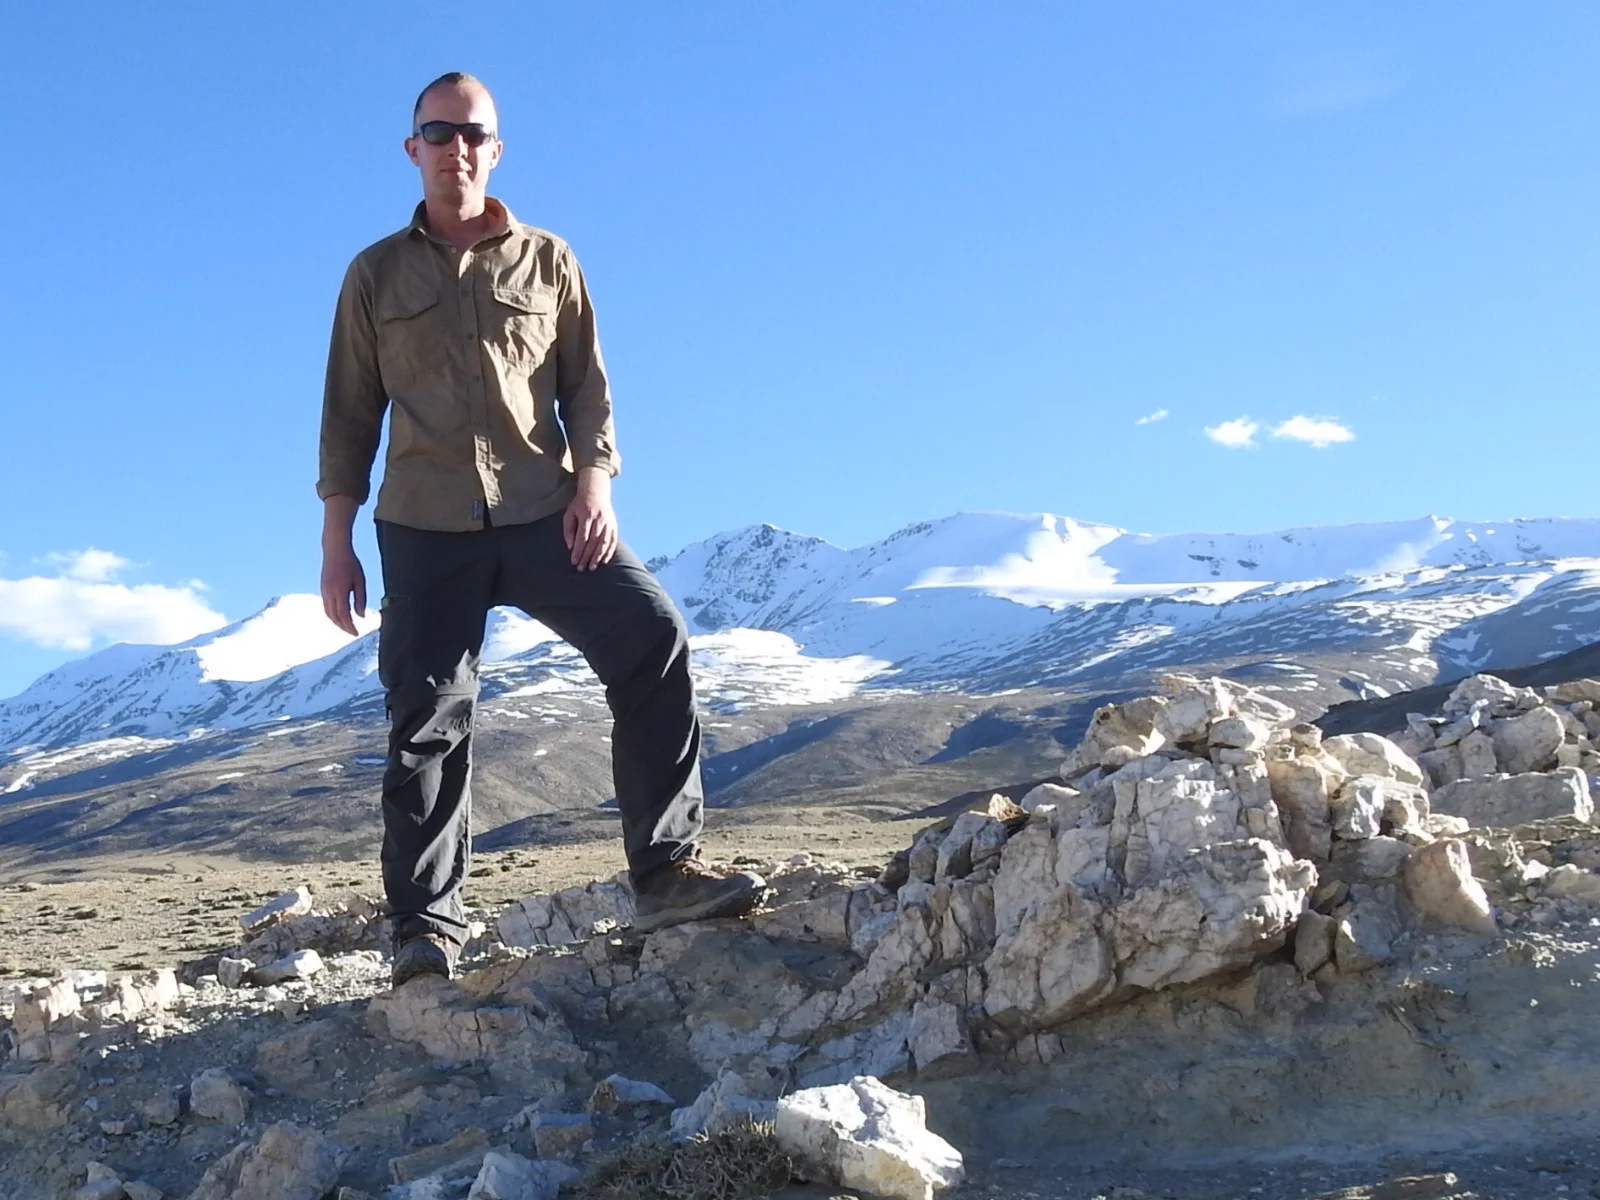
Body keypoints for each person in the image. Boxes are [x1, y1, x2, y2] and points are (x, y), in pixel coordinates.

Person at [316, 72, 764, 987]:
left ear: (496, 147)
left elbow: (587, 390)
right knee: (427, 718)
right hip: (424, 523)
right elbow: (348, 414)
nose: (457, 148)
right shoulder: (374, 274)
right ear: (413, 150)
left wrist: (594, 487)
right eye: (438, 134)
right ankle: (424, 932)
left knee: (651, 636)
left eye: (473, 133)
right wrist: (337, 539)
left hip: (543, 509)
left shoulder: (550, 259)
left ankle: (667, 871)